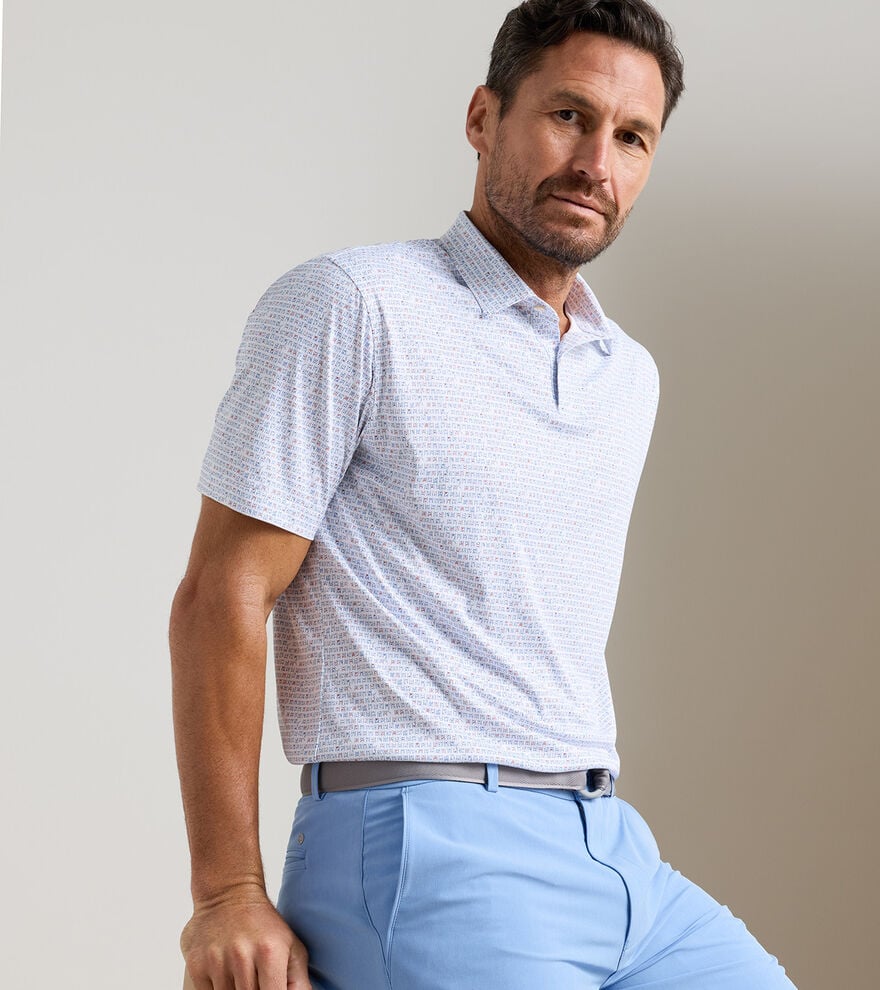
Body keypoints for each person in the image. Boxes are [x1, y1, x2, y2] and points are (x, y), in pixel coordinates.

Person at [171, 1, 797, 988]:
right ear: (482, 117)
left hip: (610, 845)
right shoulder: (354, 303)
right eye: (569, 115)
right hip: (432, 840)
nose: (595, 162)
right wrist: (226, 894)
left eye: (631, 137)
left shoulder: (625, 373)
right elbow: (223, 592)